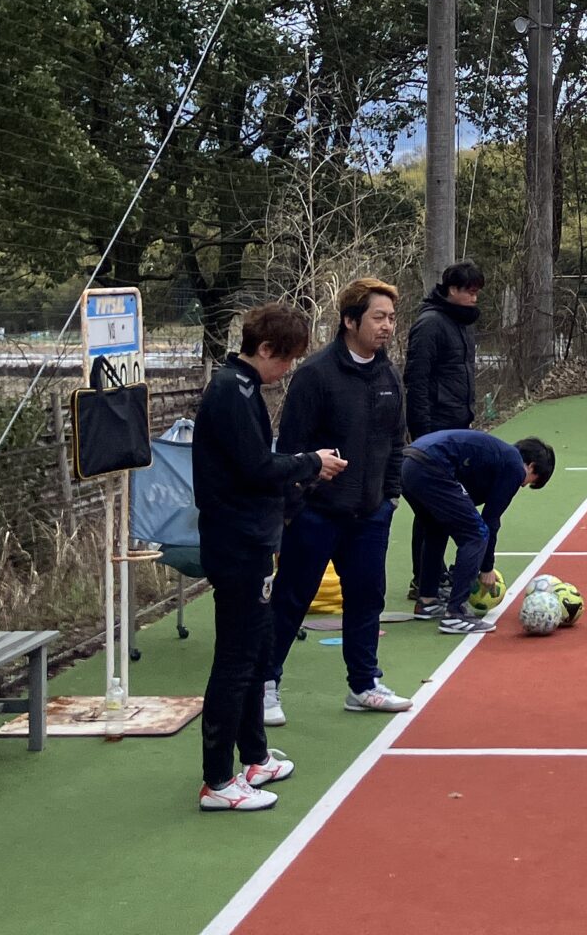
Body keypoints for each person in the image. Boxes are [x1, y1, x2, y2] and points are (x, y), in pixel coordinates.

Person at [194, 303, 346, 813]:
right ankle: (218, 780)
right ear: (264, 350)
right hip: (235, 543)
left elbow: (259, 467)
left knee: (257, 651)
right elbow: (257, 467)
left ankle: (253, 756)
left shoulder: (244, 389)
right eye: (285, 360)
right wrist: (310, 462)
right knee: (236, 660)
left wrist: (303, 472)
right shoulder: (229, 393)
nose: (287, 371)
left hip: (254, 538)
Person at [262, 277, 412, 726]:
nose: (387, 326)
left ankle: (364, 684)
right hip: (316, 515)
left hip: (370, 516)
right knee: (291, 597)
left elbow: (395, 441)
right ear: (350, 321)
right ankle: (265, 686)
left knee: (368, 598)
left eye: (391, 318)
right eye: (378, 317)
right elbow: (291, 448)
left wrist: (390, 497)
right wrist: (296, 508)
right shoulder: (315, 375)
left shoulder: (388, 375)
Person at [399, 428, 555, 632]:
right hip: (431, 465)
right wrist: (486, 567)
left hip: (408, 463)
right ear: (531, 466)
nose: (523, 486)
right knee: (476, 534)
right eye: (531, 481)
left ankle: (427, 601)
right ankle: (455, 614)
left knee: (435, 528)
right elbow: (490, 520)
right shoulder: (514, 467)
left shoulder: (495, 456)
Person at [403, 261, 483, 613]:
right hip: (433, 429)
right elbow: (416, 381)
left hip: (457, 424)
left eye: (477, 291)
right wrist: (421, 433)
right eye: (468, 290)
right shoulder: (430, 324)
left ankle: (432, 574)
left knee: (440, 507)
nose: (473, 296)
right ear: (451, 289)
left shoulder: (462, 324)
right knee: (430, 506)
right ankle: (423, 579)